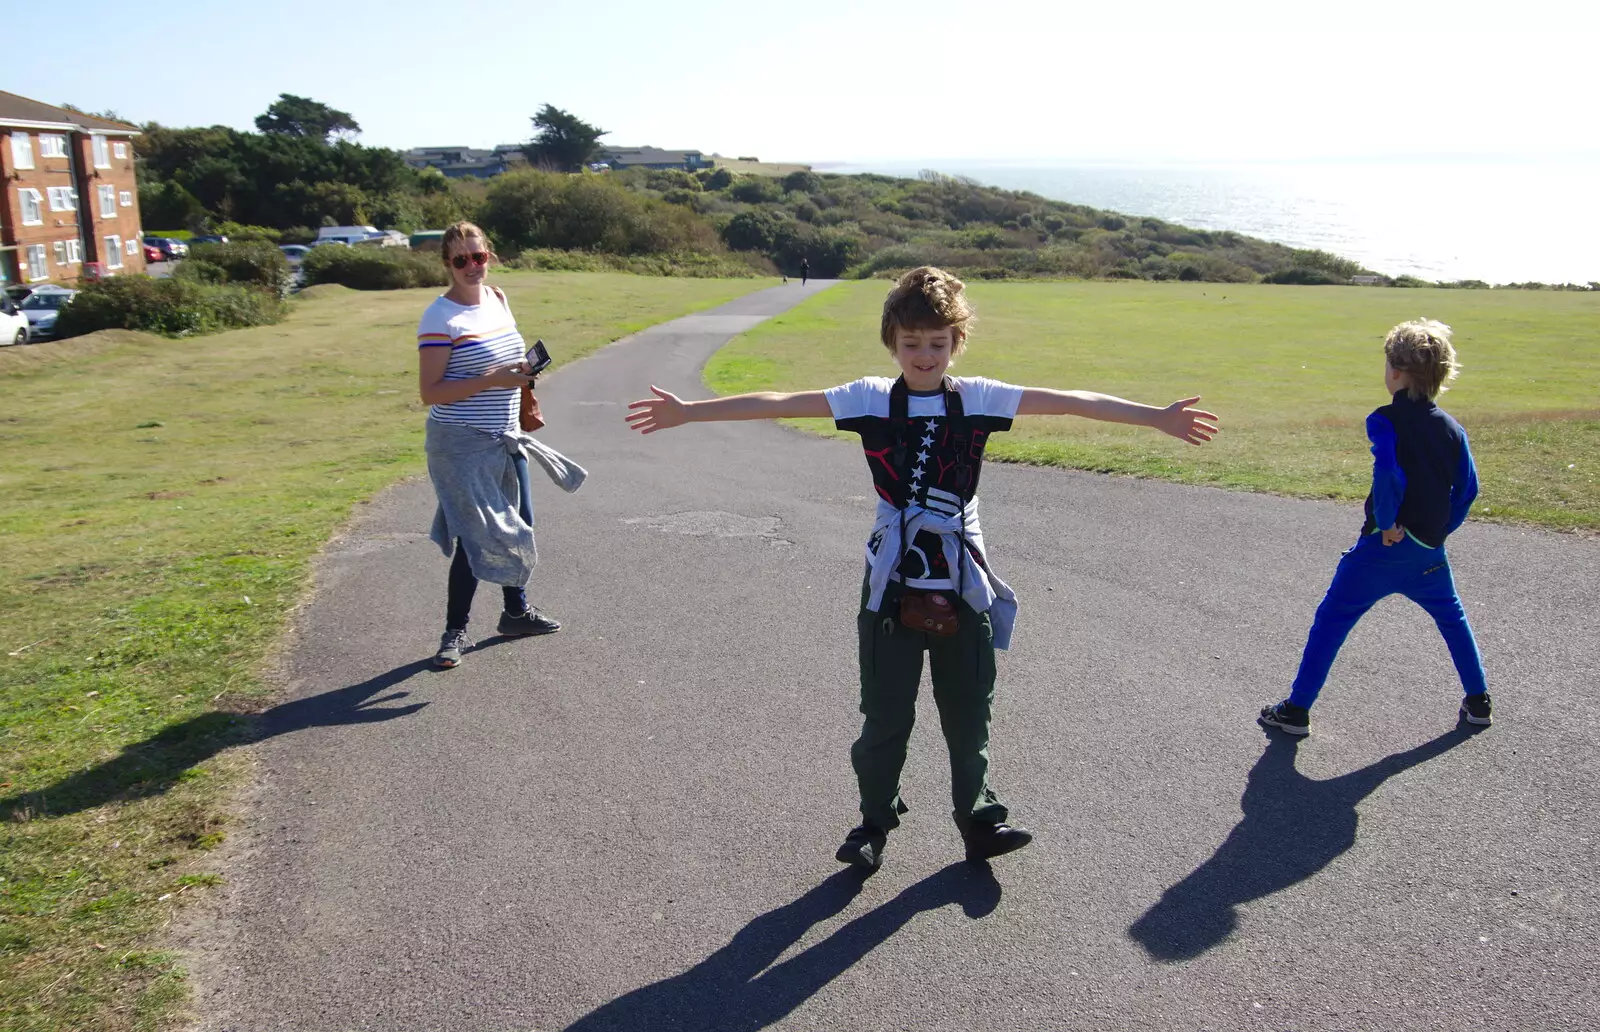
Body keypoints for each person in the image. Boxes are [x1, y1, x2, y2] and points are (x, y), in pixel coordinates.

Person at [625, 267, 1218, 870]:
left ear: (956, 343)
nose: (925, 355)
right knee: (885, 714)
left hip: (962, 581)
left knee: (968, 712)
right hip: (890, 582)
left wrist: (1157, 417)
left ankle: (980, 819)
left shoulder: (978, 397)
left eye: (938, 343)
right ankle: (873, 824)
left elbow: (1068, 402)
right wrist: (689, 412)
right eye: (912, 344)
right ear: (892, 343)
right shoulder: (869, 398)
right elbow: (780, 401)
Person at [1260, 318, 1489, 737]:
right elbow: (1468, 489)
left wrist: (1386, 523)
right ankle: (1479, 702)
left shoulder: (1384, 420)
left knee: (1332, 619)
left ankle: (1295, 711)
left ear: (1397, 372)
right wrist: (1440, 530)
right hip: (1428, 552)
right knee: (1452, 619)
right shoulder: (1454, 429)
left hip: (1383, 548)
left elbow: (1388, 473)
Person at [418, 221, 581, 669]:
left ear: (489, 254)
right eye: (461, 260)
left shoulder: (497, 298)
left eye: (479, 256)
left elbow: (501, 360)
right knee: (477, 536)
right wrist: (495, 378)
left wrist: (521, 372)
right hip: (461, 443)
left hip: (505, 435)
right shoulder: (440, 316)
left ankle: (515, 612)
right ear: (447, 265)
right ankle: (454, 633)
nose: (472, 267)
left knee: (517, 524)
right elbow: (430, 392)